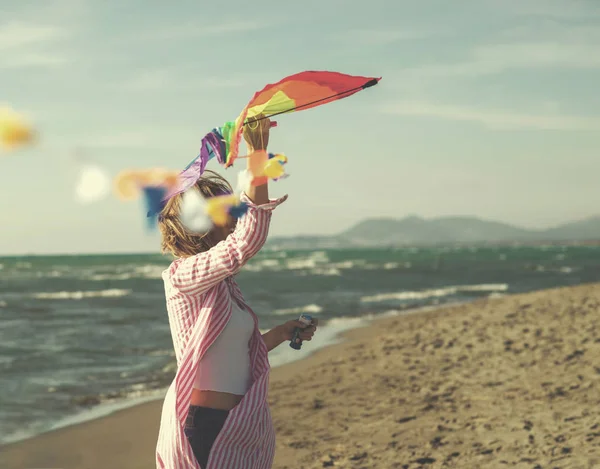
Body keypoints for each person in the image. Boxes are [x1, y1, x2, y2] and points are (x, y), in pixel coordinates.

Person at [155, 115, 318, 469]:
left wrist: (282, 332)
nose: (234, 215)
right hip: (204, 427)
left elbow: (232, 354)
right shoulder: (183, 276)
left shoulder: (222, 284)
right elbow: (248, 240)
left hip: (241, 423)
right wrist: (257, 152)